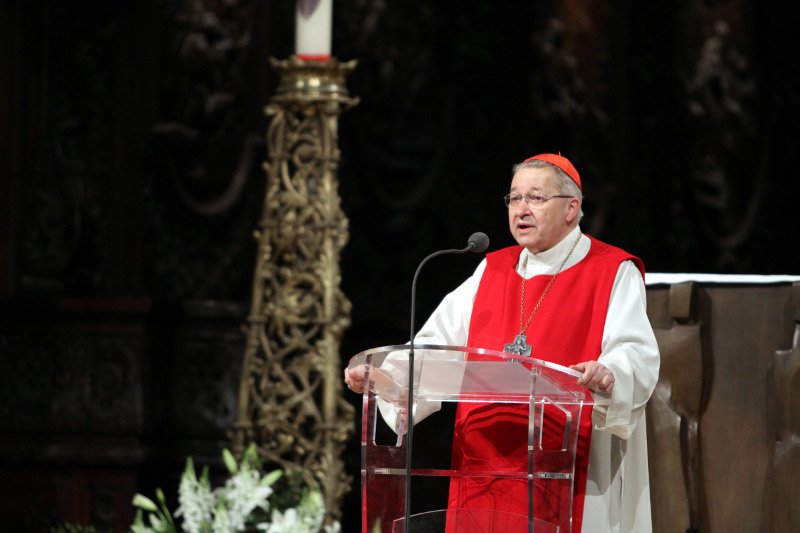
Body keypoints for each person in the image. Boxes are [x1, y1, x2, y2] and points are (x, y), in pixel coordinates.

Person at [345, 153, 660, 532]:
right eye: (514, 198)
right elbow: (434, 345)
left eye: (536, 198)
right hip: (483, 467)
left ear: (571, 208)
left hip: (569, 466)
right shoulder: (493, 268)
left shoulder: (611, 270)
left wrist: (610, 373)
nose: (521, 209)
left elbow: (635, 351)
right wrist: (391, 379)